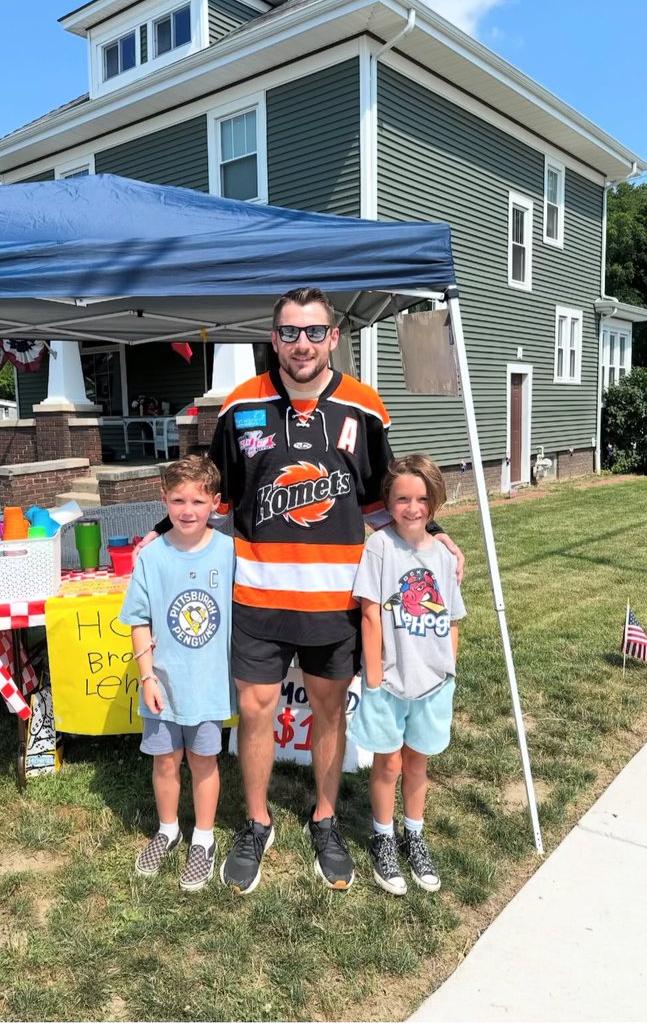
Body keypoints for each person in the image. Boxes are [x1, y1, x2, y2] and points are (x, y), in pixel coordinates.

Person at [137, 287, 464, 895]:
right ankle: (256, 822)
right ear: (274, 339)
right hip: (258, 595)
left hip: (335, 599)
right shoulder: (240, 406)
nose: (302, 344)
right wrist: (155, 535)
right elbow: (214, 492)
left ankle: (325, 818)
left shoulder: (364, 407)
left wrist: (435, 531)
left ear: (333, 337)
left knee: (329, 711)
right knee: (257, 711)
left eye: (314, 332)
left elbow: (384, 495)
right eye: (289, 333)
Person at [348, 454, 465, 895]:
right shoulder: (379, 546)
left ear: (433, 503)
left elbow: (453, 617)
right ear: (388, 502)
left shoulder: (443, 557)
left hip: (433, 682)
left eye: (421, 499)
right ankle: (382, 835)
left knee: (418, 762)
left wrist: (448, 669)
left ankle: (413, 833)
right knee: (389, 762)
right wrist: (374, 678)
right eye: (402, 499)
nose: (412, 508)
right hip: (389, 682)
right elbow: (371, 612)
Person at [121, 455, 235, 891]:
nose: (187, 510)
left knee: (204, 761)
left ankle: (203, 839)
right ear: (163, 500)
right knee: (165, 761)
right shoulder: (151, 557)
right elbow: (139, 620)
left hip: (208, 684)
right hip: (162, 685)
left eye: (198, 501)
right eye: (177, 500)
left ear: (216, 504)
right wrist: (147, 677)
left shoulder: (228, 552)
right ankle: (167, 829)